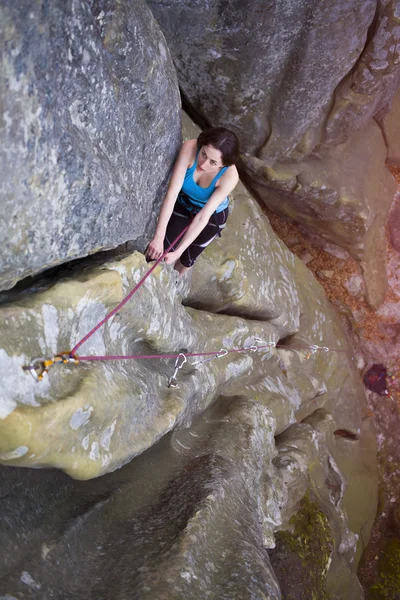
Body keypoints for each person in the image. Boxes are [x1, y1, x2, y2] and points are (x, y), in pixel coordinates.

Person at [145, 127, 240, 276]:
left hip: (212, 217)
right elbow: (172, 193)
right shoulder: (190, 148)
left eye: (213, 162)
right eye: (203, 154)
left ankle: (173, 288)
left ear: (224, 165)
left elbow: (204, 216)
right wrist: (158, 237)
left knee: (187, 258)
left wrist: (178, 252)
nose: (203, 164)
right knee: (158, 251)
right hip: (184, 203)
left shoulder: (230, 176)